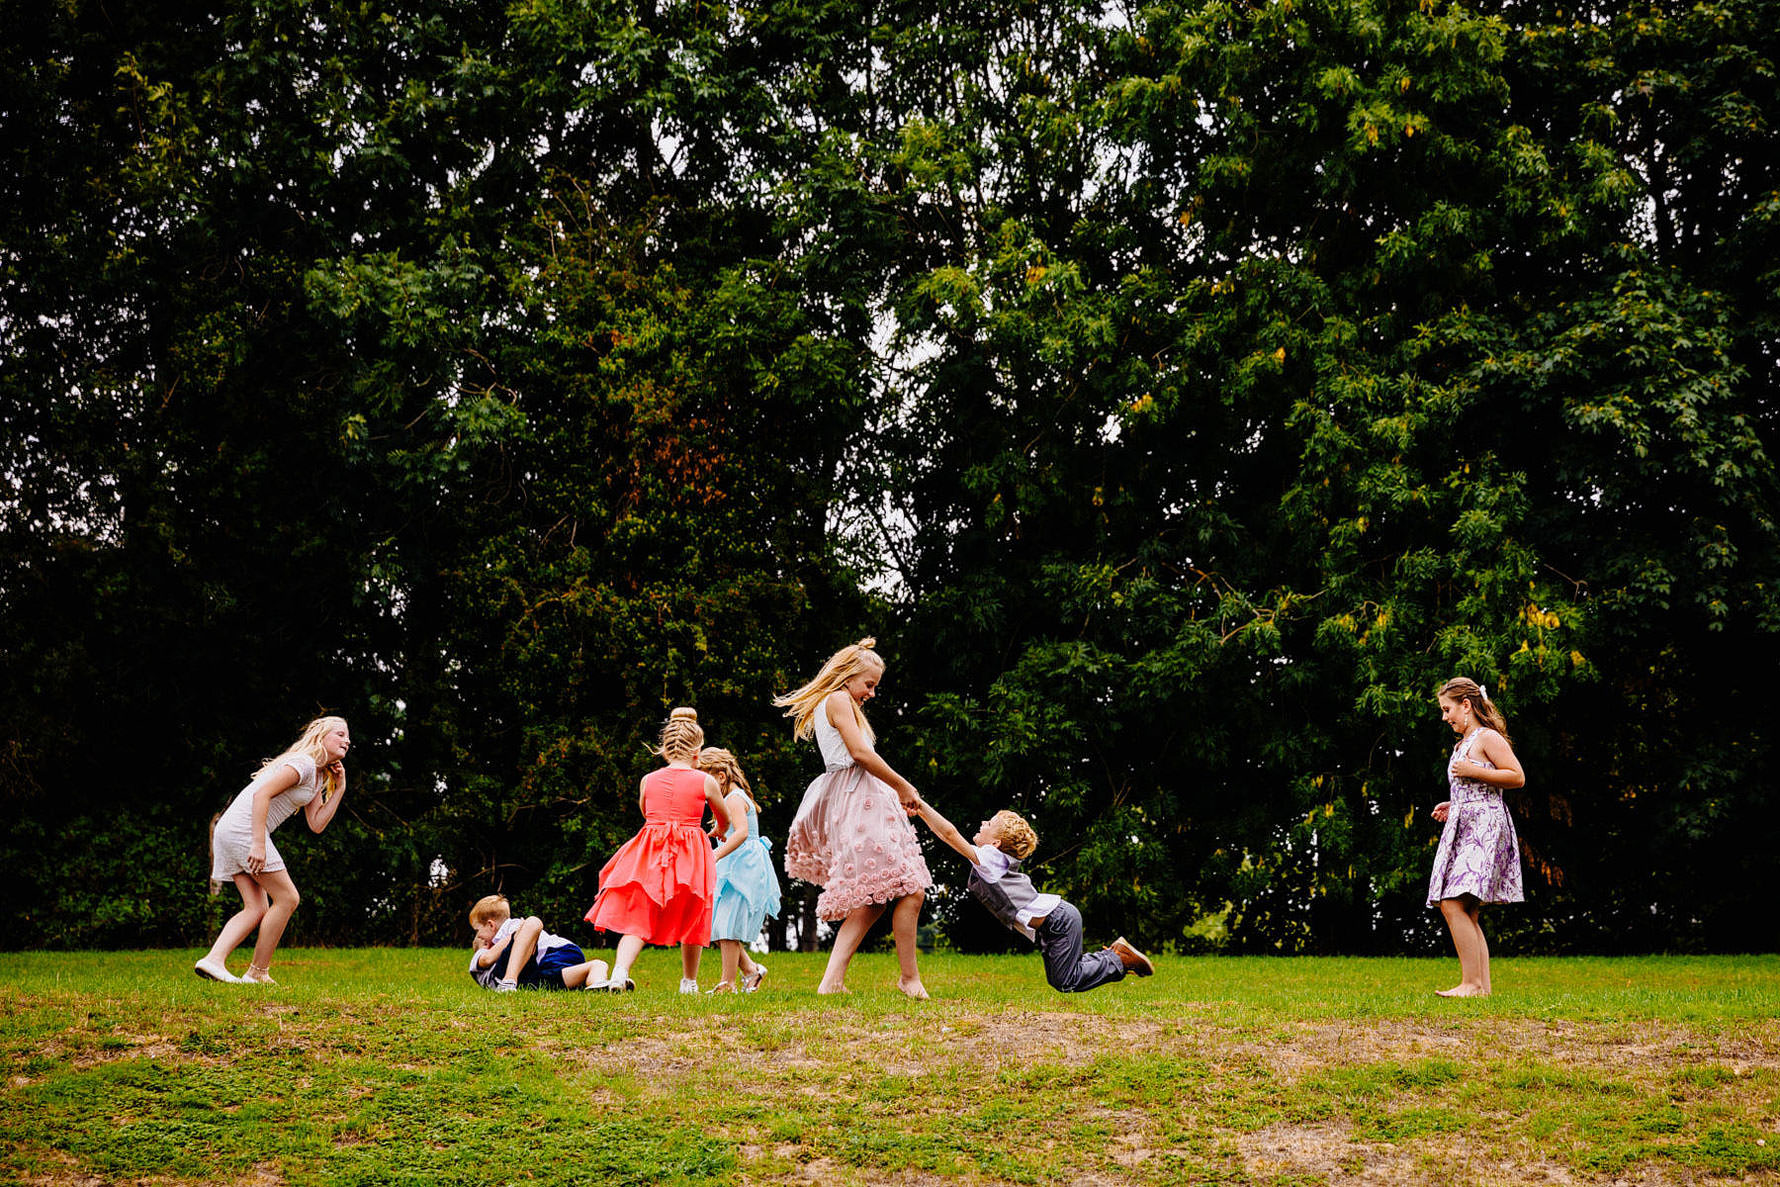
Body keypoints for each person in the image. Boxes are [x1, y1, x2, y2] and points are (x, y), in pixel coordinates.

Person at [776, 638, 934, 998]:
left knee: (878, 898)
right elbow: (860, 753)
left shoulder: (836, 701)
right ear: (848, 677)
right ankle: (908, 979)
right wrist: (902, 786)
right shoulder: (838, 700)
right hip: (859, 803)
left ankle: (832, 982)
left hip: (859, 800)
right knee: (910, 888)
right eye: (869, 684)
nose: (872, 693)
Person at [909, 799, 1154, 991]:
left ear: (994, 843)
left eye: (989, 824)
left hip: (1060, 921)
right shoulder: (994, 859)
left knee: (1067, 980)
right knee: (1062, 980)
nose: (983, 822)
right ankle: (1117, 956)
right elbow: (948, 836)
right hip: (1056, 923)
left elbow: (949, 834)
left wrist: (920, 806)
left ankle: (1118, 959)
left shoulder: (989, 859)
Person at [584, 708, 743, 993]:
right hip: (690, 855)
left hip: (651, 852)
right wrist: (718, 829)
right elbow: (724, 817)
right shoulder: (705, 781)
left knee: (639, 916)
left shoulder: (648, 779)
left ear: (665, 751)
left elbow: (646, 811)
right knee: (693, 913)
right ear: (697, 752)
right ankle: (689, 983)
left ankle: (619, 972)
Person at [195, 715, 351, 984]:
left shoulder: (316, 776)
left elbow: (316, 824)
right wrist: (257, 843)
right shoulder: (303, 764)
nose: (347, 740)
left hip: (232, 830)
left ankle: (213, 961)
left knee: (256, 907)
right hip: (244, 831)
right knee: (288, 898)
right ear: (320, 736)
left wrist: (339, 789)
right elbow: (261, 794)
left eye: (348, 737)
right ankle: (257, 972)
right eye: (340, 734)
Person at [1427, 676, 1526, 997]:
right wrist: (1452, 803)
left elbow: (1516, 777)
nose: (1445, 717)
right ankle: (1480, 987)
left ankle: (1471, 984)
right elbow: (1475, 785)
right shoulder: (1463, 743)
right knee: (1466, 908)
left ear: (1466, 705)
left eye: (1447, 709)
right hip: (1466, 823)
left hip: (1485, 827)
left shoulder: (1487, 737)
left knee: (1452, 903)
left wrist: (1474, 772)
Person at [697, 746, 780, 993]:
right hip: (734, 865)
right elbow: (733, 831)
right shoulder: (730, 798)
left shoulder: (734, 798)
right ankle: (752, 971)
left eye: (705, 778)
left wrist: (716, 854)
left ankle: (728, 983)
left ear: (720, 776)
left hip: (743, 867)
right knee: (723, 923)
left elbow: (742, 832)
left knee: (729, 924)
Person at [467, 895, 609, 991]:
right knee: (599, 964)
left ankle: (509, 981)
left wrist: (516, 932)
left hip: (554, 952)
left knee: (533, 921)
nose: (478, 936)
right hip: (555, 963)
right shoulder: (512, 935)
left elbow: (487, 958)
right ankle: (598, 983)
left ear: (491, 925)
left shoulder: (511, 928)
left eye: (477, 930)